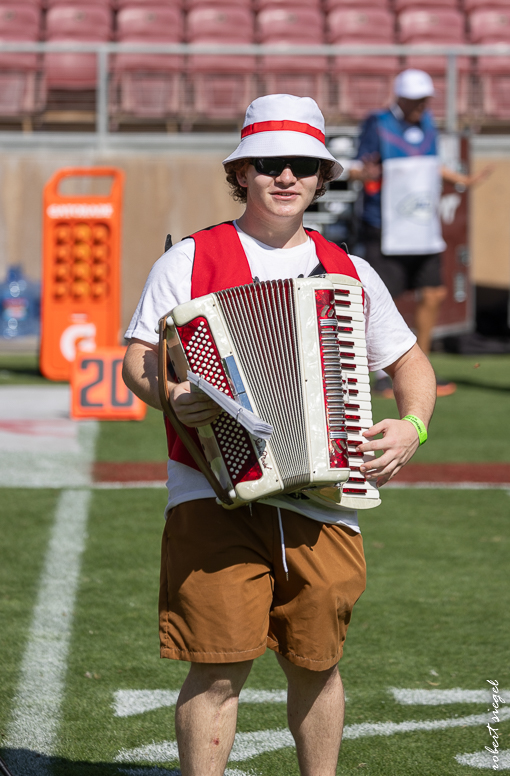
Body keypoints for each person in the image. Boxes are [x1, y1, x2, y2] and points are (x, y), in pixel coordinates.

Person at [122, 93, 436, 776]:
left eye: (303, 164)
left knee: (317, 664)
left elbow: (411, 363)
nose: (286, 176)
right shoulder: (189, 259)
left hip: (327, 499)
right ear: (241, 173)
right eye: (268, 163)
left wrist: (413, 425)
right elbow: (139, 358)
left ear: (323, 177)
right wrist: (171, 395)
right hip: (212, 491)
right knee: (216, 668)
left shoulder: (350, 269)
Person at [350, 68, 491, 398]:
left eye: (425, 99)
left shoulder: (427, 123)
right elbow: (357, 167)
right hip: (384, 226)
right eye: (415, 99)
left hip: (422, 227)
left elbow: (429, 164)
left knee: (433, 293)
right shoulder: (377, 123)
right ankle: (384, 374)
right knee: (384, 297)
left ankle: (420, 367)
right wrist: (364, 173)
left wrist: (463, 180)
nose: (421, 105)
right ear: (399, 97)